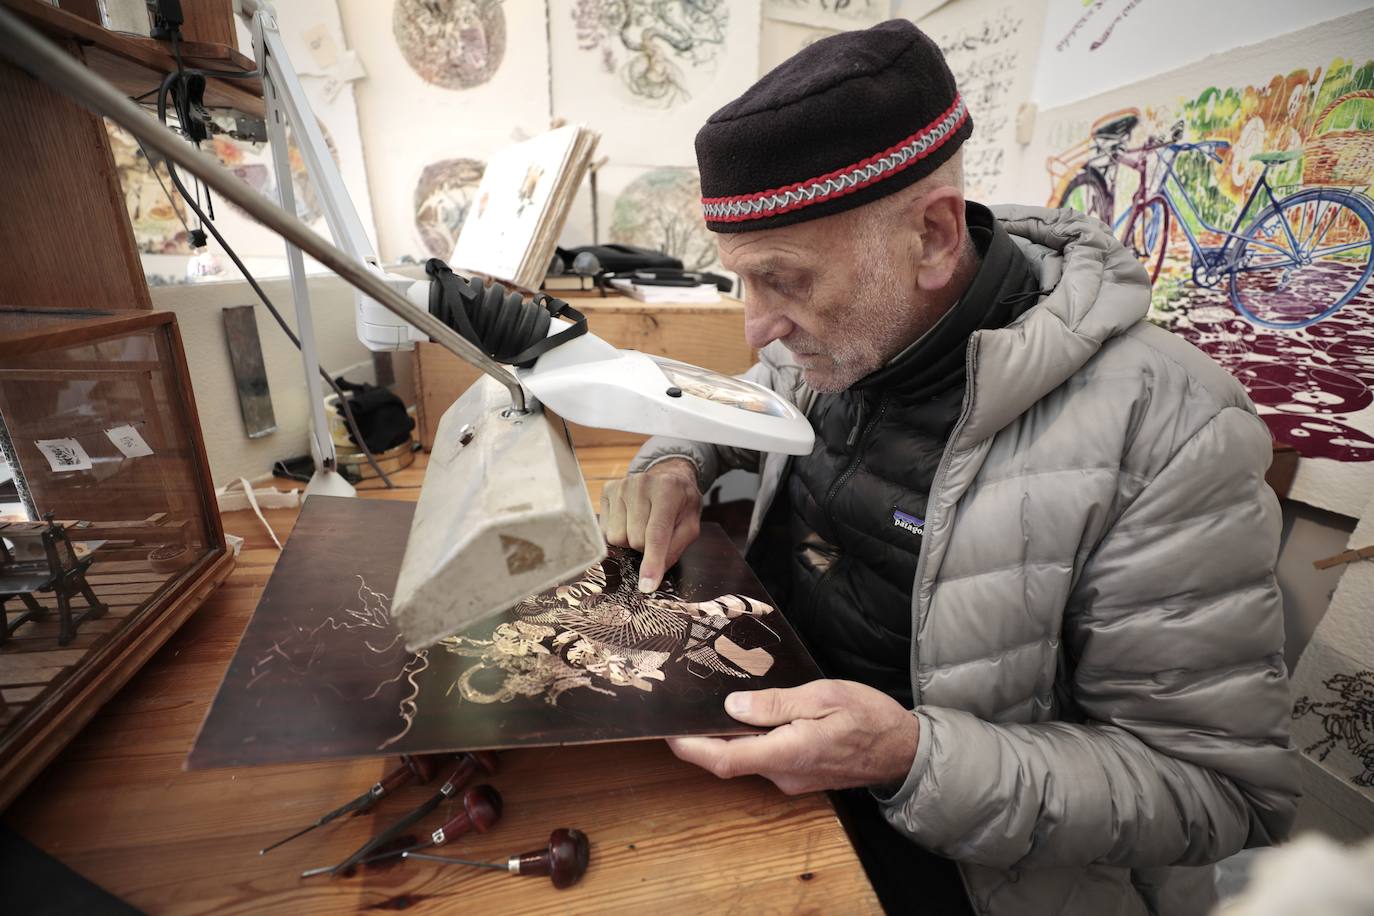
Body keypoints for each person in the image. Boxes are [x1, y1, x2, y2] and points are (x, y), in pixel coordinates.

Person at [599, 19, 1300, 916]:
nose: (756, 326)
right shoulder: (841, 333)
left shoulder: (1170, 429)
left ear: (932, 237)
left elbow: (1220, 793)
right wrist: (675, 460)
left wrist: (910, 757)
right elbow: (734, 400)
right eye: (741, 280)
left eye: (785, 280)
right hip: (779, 785)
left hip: (969, 865)